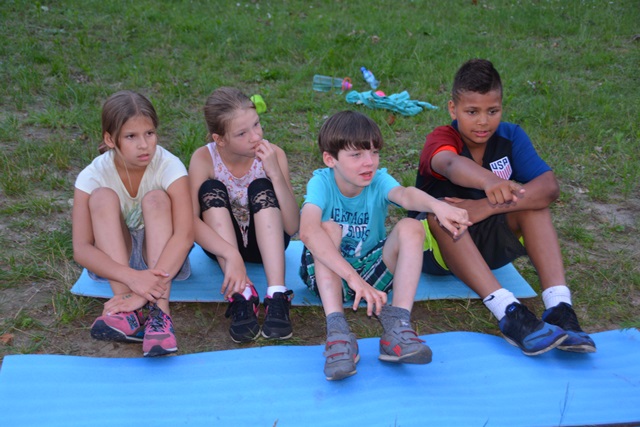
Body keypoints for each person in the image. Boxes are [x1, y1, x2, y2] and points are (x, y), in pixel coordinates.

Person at [412, 58, 596, 356]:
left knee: (533, 204)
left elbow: (549, 187)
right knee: (442, 213)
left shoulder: (510, 136)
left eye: (492, 111)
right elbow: (449, 163)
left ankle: (560, 307)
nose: (483, 121)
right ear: (453, 109)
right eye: (472, 112)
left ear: (501, 108)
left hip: (488, 245)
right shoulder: (441, 138)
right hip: (436, 252)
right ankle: (508, 311)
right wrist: (489, 181)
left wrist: (485, 206)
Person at [299, 110, 471, 381]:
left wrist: (437, 206)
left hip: (370, 272)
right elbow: (308, 231)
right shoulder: (321, 182)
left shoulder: (378, 180)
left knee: (412, 226)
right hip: (327, 274)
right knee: (328, 228)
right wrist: (353, 279)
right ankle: (338, 332)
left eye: (374, 152)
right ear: (330, 159)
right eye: (356, 155)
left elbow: (405, 195)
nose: (369, 162)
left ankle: (397, 325)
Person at [72, 90, 194, 357]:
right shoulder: (92, 175)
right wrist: (131, 279)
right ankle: (124, 308)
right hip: (115, 265)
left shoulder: (170, 166)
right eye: (131, 136)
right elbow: (81, 248)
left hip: (165, 261)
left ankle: (159, 312)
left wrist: (146, 290)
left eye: (149, 133)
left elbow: (185, 235)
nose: (144, 145)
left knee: (156, 199)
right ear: (110, 139)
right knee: (101, 197)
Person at [189, 87, 300, 343]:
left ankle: (277, 294)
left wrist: (274, 173)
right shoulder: (204, 158)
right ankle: (242, 294)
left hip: (267, 245)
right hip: (222, 247)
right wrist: (230, 254)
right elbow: (190, 221)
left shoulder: (274, 154)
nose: (255, 136)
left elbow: (292, 226)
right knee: (210, 188)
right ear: (220, 139)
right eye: (242, 133)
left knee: (261, 186)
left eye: (256, 124)